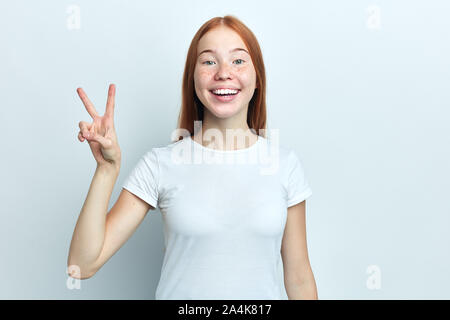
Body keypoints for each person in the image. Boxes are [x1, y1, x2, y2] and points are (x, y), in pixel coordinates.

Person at [67, 15, 318, 300]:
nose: (224, 72)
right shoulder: (160, 164)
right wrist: (105, 170)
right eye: (209, 61)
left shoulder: (285, 165)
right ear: (193, 78)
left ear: (257, 77)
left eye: (238, 61)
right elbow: (81, 266)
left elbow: (299, 279)